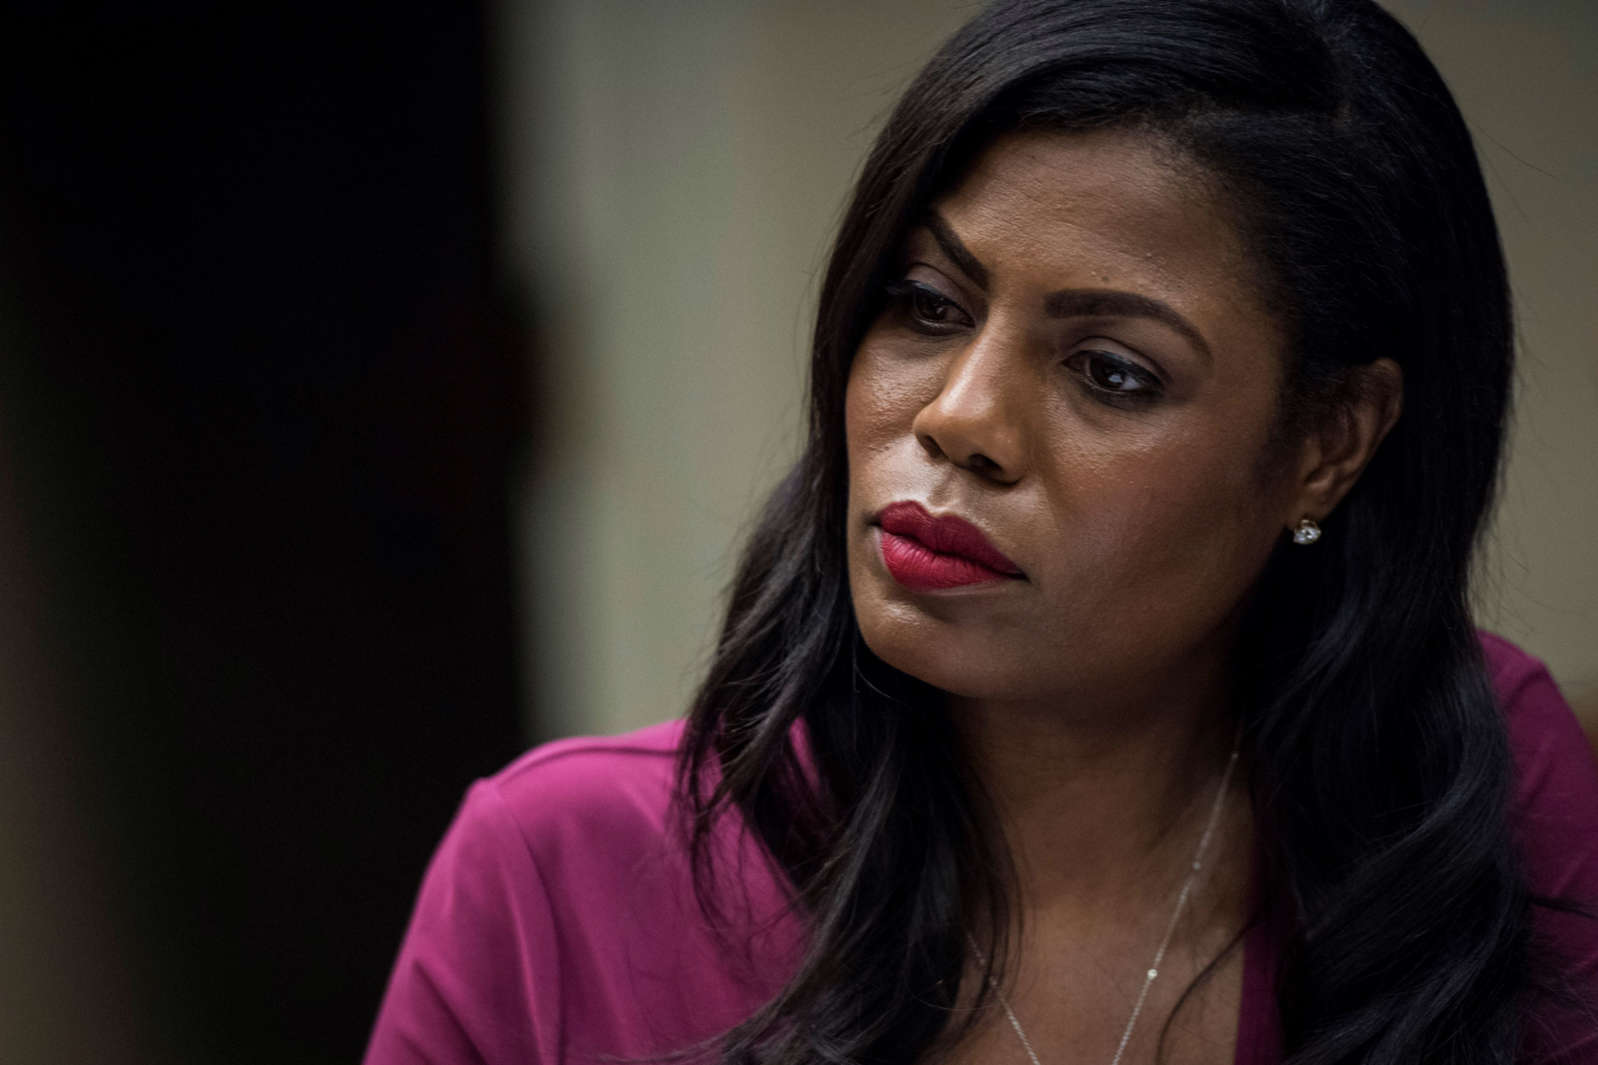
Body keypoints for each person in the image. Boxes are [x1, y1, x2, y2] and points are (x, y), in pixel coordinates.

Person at [363, 1, 1598, 1062]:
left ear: (1328, 441)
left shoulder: (1470, 793)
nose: (958, 419)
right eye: (926, 305)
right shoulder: (551, 881)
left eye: (1111, 372)